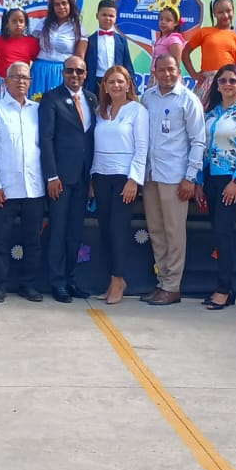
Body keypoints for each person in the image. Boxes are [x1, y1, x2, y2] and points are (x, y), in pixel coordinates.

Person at [140, 53, 206, 306]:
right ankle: (162, 283)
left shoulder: (188, 100)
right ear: (154, 72)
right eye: (162, 70)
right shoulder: (148, 97)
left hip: (175, 177)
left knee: (174, 232)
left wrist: (190, 177)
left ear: (179, 71)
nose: (167, 74)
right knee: (156, 231)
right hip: (151, 174)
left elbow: (198, 141)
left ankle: (172, 286)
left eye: (171, 69)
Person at [197, 64, 236, 311]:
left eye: (232, 81)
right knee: (217, 232)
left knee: (223, 232)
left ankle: (223, 289)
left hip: (233, 179)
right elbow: (203, 149)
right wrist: (199, 181)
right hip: (211, 177)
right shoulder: (211, 113)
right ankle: (227, 289)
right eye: (222, 80)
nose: (227, 85)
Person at [0, 62, 46, 303]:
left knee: (33, 241)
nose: (20, 81)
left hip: (34, 188)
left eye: (25, 77)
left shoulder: (38, 110)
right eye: (15, 77)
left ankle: (28, 285)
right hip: (4, 188)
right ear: (6, 81)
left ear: (30, 82)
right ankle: (0, 286)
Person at [39, 55, 96, 302]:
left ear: (86, 74)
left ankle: (70, 279)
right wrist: (52, 175)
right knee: (58, 230)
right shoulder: (51, 99)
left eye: (79, 71)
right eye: (70, 71)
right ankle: (57, 281)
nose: (74, 75)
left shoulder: (92, 99)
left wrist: (92, 177)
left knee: (74, 232)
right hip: (60, 178)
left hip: (83, 177)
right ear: (63, 73)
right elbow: (46, 139)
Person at [90, 65, 148, 305]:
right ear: (104, 86)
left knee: (118, 229)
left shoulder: (137, 111)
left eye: (120, 81)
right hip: (101, 176)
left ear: (128, 85)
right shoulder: (99, 112)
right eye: (111, 82)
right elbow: (93, 147)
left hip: (124, 178)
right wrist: (92, 177)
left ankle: (118, 279)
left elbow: (142, 148)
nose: (116, 85)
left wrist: (134, 179)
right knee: (104, 229)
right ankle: (112, 278)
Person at [181, 0, 236, 99]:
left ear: (233, 11)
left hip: (228, 83)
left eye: (228, 11)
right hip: (208, 81)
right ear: (214, 13)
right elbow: (185, 52)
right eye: (220, 12)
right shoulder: (204, 32)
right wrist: (193, 74)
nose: (225, 15)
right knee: (201, 108)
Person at [29, 0, 86, 98]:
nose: (61, 7)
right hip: (40, 72)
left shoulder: (78, 27)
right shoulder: (42, 24)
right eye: (57, 4)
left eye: (64, 3)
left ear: (70, 4)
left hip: (63, 73)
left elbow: (79, 59)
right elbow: (30, 49)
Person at [0, 7, 41, 94]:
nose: (18, 24)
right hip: (0, 82)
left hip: (21, 83)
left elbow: (38, 61)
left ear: (26, 24)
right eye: (14, 21)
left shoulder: (31, 42)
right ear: (7, 24)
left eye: (21, 21)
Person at [83, 0, 133, 97]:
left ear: (116, 18)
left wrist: (132, 86)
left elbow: (127, 63)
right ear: (97, 16)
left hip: (116, 82)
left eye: (111, 16)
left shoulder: (121, 40)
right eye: (104, 15)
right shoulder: (89, 40)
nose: (107, 18)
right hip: (96, 82)